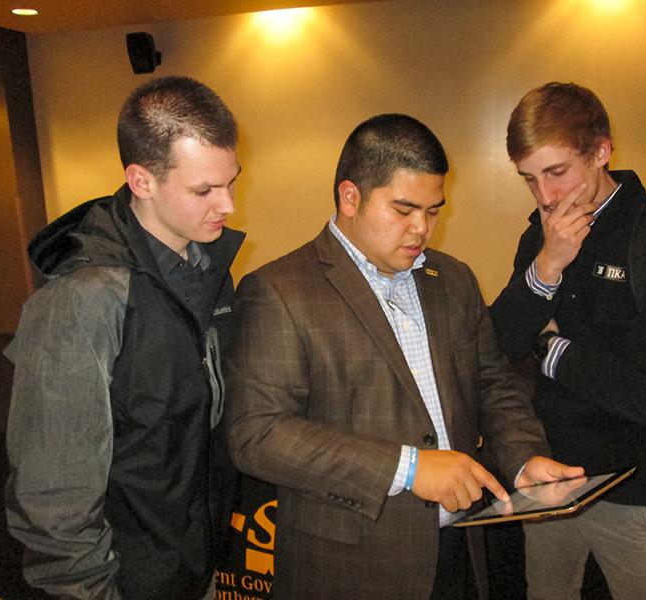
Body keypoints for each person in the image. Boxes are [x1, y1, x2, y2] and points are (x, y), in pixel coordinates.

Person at [224, 113, 582, 600]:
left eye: (434, 211)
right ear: (350, 197)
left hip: (456, 552)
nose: (422, 229)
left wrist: (524, 458)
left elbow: (494, 384)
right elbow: (257, 434)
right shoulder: (280, 290)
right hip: (348, 566)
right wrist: (409, 468)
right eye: (404, 209)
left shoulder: (452, 279)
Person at [5, 76, 244, 599]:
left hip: (191, 565)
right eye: (204, 190)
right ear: (142, 181)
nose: (227, 205)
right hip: (122, 582)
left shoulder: (207, 270)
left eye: (231, 181)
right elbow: (53, 501)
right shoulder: (83, 299)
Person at [490, 82, 646, 600]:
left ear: (601, 151)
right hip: (550, 481)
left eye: (557, 172)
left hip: (643, 492)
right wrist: (547, 263)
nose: (546, 196)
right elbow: (501, 342)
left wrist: (551, 351)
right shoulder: (539, 233)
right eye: (529, 179)